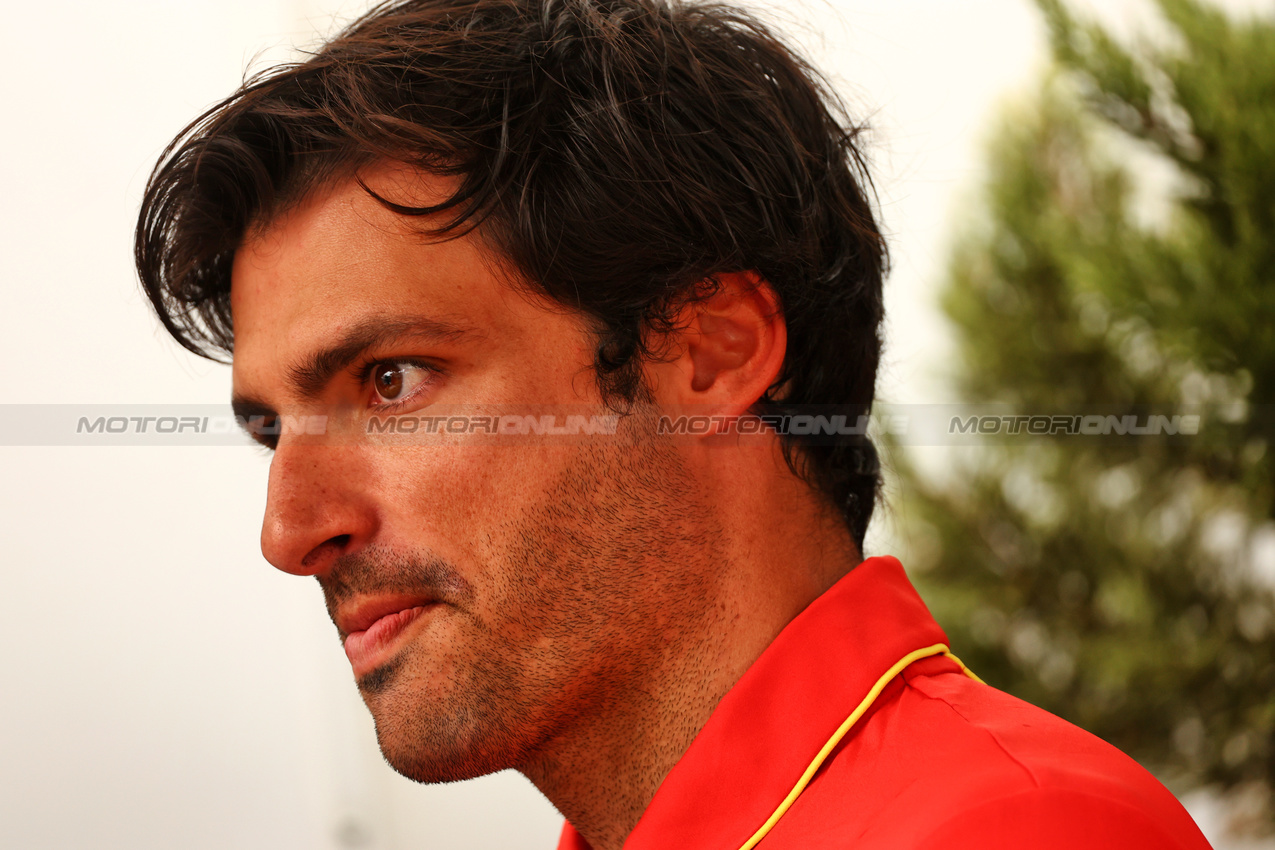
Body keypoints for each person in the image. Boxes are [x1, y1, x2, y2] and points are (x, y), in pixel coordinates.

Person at [134, 1, 1214, 848]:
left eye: (390, 381)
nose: (289, 532)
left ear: (710, 353)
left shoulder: (1013, 834)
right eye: (274, 430)